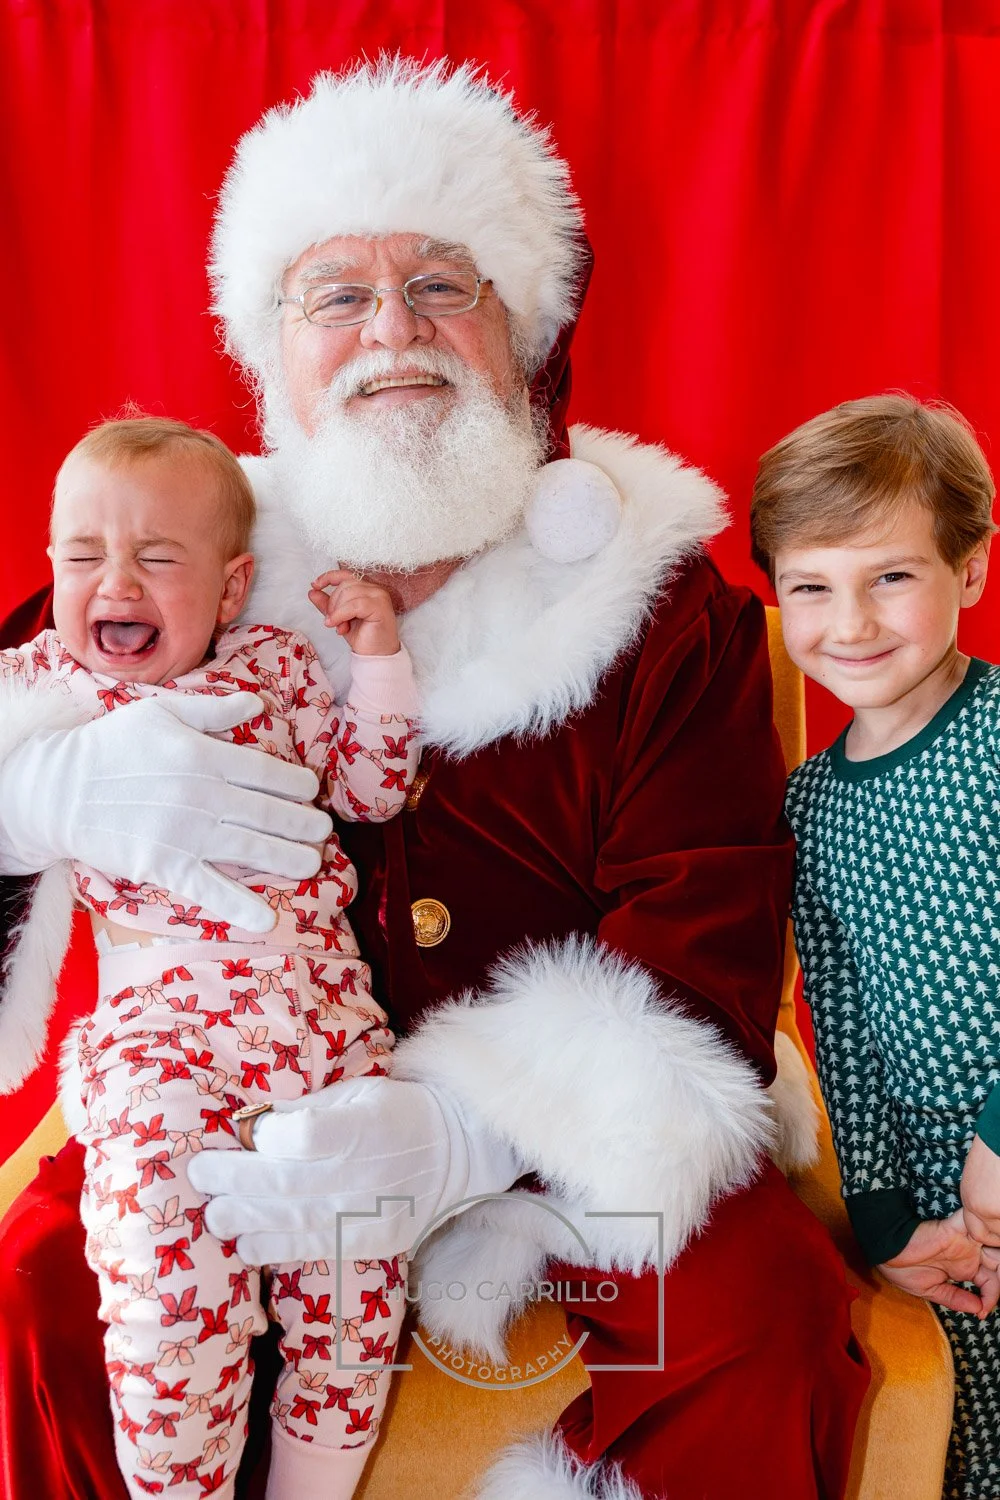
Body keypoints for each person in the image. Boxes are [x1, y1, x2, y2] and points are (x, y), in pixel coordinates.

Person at [0, 58, 868, 1499]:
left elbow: (704, 927)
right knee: (36, 1304)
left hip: (558, 1160)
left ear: (523, 331)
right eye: (335, 294)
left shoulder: (658, 609)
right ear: (270, 351)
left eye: (441, 285)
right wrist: (35, 799)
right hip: (219, 1104)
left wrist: (465, 1129)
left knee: (760, 1323)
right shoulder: (173, 549)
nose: (391, 330)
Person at [0, 414, 421, 1500]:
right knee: (162, 1285)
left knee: (357, 1292)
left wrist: (378, 660)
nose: (114, 583)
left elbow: (370, 787)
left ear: (232, 589)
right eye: (83, 556)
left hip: (326, 1030)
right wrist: (27, 790)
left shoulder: (279, 669)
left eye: (156, 558)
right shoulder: (43, 684)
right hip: (163, 1045)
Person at [751, 392, 1000, 1500]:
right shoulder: (810, 806)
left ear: (971, 570)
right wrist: (888, 1214)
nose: (848, 623)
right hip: (955, 1211)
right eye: (811, 587)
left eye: (890, 576)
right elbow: (839, 1025)